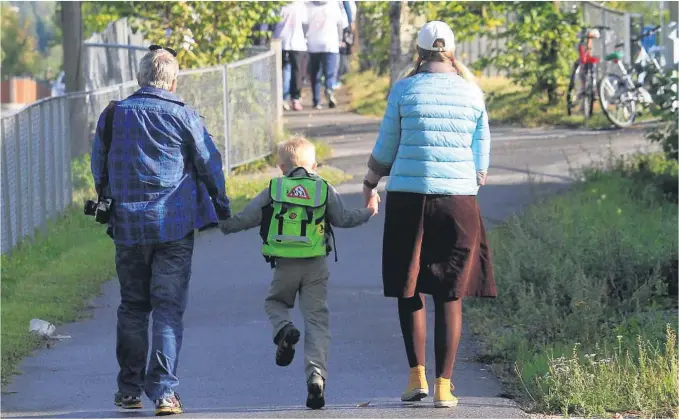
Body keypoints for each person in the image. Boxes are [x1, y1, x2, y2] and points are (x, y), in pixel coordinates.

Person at [361, 21, 497, 408]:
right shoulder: (472, 92)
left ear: (418, 53)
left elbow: (387, 143)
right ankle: (443, 385)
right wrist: (475, 178)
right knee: (450, 293)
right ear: (452, 52)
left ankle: (415, 376)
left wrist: (370, 181)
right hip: (457, 199)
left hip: (408, 196)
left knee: (411, 284)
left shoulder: (404, 89)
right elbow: (481, 144)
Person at [90, 45, 231, 416]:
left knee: (134, 307)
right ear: (172, 81)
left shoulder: (113, 114)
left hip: (128, 227)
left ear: (140, 78)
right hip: (174, 225)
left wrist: (109, 197)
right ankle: (165, 394)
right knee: (167, 310)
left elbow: (98, 166)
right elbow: (209, 164)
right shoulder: (183, 115)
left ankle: (128, 390)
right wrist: (222, 206)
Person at [220, 136, 378, 409]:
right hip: (316, 264)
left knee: (275, 302)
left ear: (281, 167)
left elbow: (247, 217)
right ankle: (316, 376)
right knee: (317, 321)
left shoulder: (275, 188)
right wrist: (368, 211)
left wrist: (222, 224)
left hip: (284, 264)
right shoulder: (323, 188)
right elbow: (343, 219)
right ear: (314, 165)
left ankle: (284, 329)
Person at [306, 1, 348, 109]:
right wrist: (339, 39)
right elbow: (340, 23)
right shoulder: (333, 4)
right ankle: (329, 90)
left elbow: (304, 24)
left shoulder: (308, 5)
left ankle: (316, 101)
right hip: (330, 43)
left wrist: (306, 38)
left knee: (315, 74)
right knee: (330, 72)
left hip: (313, 43)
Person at [274, 1, 309, 111]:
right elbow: (305, 23)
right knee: (296, 72)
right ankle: (293, 98)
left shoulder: (279, 5)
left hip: (282, 41)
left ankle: (286, 98)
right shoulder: (300, 4)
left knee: (285, 70)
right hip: (294, 42)